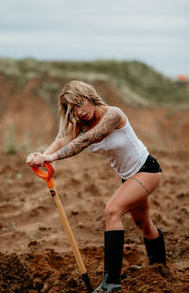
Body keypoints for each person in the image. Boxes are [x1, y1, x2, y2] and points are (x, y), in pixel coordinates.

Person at [26, 80, 166, 292]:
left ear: (90, 97)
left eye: (81, 103)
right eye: (73, 108)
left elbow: (85, 141)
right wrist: (41, 157)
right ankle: (160, 267)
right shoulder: (80, 123)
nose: (80, 111)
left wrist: (51, 156)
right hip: (128, 178)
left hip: (147, 170)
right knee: (143, 224)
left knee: (112, 211)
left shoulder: (113, 115)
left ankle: (111, 282)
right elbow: (63, 140)